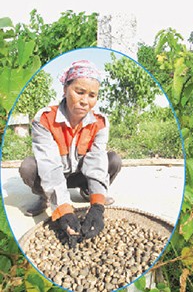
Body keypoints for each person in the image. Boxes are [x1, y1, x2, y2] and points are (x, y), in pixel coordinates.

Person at [19, 60, 122, 247]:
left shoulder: (100, 122)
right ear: (65, 89)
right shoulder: (44, 119)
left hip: (82, 173)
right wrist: (64, 210)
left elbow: (97, 160)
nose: (85, 101)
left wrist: (97, 205)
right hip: (55, 174)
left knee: (113, 160)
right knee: (28, 167)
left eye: (92, 95)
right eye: (79, 92)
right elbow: (49, 166)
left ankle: (89, 191)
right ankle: (46, 197)